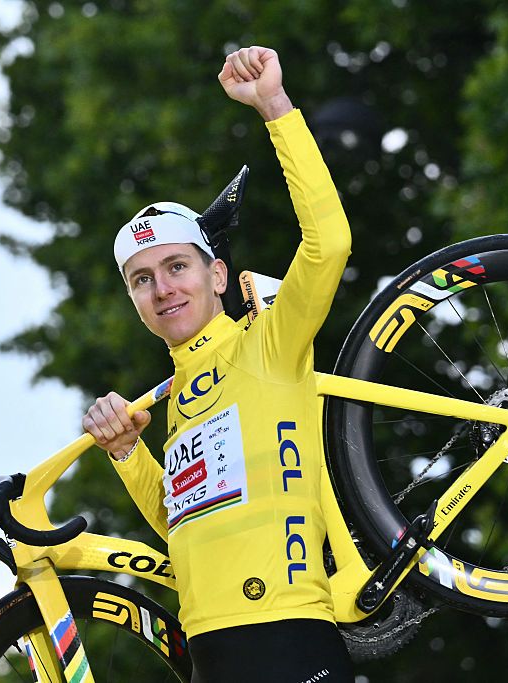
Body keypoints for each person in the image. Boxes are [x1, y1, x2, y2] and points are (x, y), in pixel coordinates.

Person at [81, 46, 354, 682]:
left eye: (177, 266)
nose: (162, 289)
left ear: (218, 276)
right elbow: (182, 525)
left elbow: (329, 244)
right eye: (142, 279)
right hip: (208, 647)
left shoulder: (268, 342)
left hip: (291, 633)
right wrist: (127, 452)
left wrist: (275, 108)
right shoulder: (176, 398)